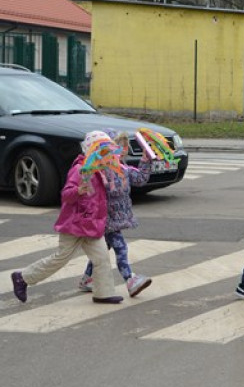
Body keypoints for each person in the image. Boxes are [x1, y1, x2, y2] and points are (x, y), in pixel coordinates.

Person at [10, 131, 126, 305]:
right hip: (74, 224)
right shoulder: (79, 170)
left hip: (93, 226)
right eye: (103, 152)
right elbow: (66, 195)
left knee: (102, 257)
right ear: (91, 151)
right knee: (61, 258)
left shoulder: (101, 171)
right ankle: (23, 277)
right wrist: (78, 190)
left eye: (107, 152)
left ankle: (103, 293)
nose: (106, 156)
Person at [78, 129, 153, 298]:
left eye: (125, 146)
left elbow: (140, 179)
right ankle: (130, 280)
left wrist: (146, 159)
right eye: (119, 146)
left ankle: (87, 279)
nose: (123, 150)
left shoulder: (123, 169)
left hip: (114, 220)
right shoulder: (99, 172)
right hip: (105, 220)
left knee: (102, 250)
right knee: (121, 248)